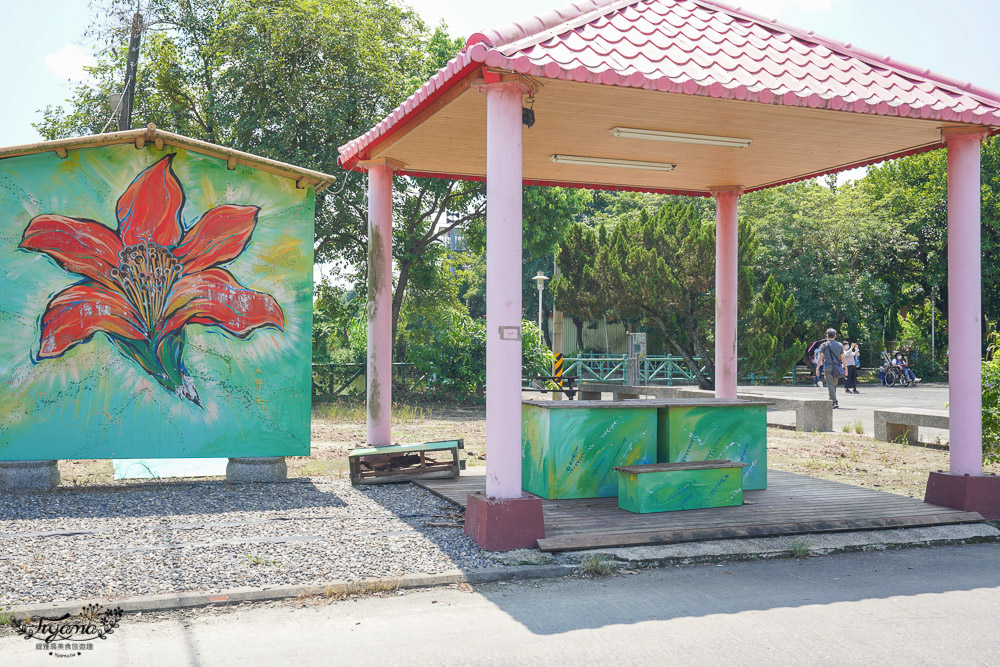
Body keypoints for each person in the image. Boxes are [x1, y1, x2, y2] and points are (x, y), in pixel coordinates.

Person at [815, 328, 846, 408]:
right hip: (837, 367)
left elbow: (820, 358)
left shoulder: (824, 345)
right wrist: (846, 368)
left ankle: (834, 401)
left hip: (828, 367)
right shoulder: (839, 345)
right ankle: (832, 399)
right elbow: (842, 358)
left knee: (830, 384)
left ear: (827, 336)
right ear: (835, 336)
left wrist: (817, 368)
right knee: (834, 384)